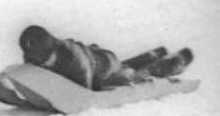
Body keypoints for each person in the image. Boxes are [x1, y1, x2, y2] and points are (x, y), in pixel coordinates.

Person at [19, 25, 193, 91]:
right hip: (97, 57)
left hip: (105, 66)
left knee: (129, 75)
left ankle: (173, 63)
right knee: (125, 66)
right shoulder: (37, 56)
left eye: (42, 59)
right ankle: (155, 53)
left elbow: (84, 92)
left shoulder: (73, 57)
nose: (40, 63)